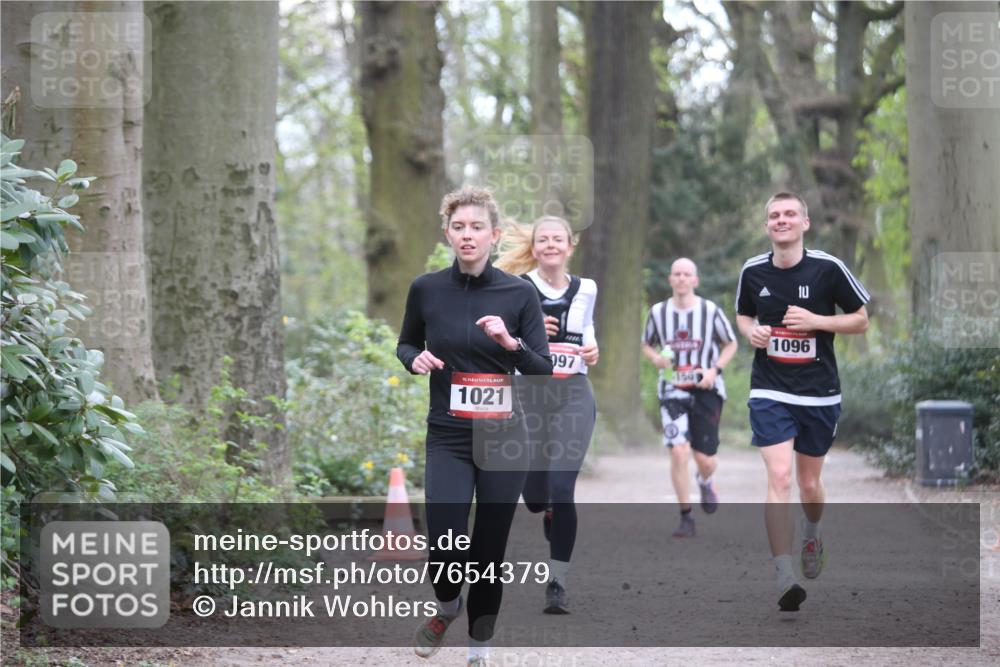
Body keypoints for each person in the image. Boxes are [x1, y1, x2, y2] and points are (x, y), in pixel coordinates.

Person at [397, 186, 552, 666]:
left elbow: (542, 367)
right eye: (459, 227)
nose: (468, 235)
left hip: (503, 438)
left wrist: (509, 343)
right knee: (444, 546)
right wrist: (413, 359)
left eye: (477, 227)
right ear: (447, 233)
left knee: (488, 552)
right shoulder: (426, 288)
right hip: (447, 435)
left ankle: (478, 649)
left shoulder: (518, 292)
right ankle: (448, 604)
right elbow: (405, 343)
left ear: (494, 235)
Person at [735, 191, 869, 612]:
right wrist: (751, 330)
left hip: (818, 392)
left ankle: (812, 531)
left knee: (808, 484)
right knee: (779, 477)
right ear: (767, 225)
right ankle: (783, 574)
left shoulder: (829, 268)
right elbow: (743, 314)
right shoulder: (753, 271)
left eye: (790, 214)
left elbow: (861, 319)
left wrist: (817, 321)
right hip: (770, 389)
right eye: (774, 215)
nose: (781, 220)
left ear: (804, 223)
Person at [495, 215, 599, 615]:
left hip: (573, 392)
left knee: (562, 485)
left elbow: (586, 332)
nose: (551, 245)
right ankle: (547, 509)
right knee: (536, 498)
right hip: (529, 394)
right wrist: (531, 332)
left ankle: (557, 581)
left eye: (558, 239)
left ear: (570, 246)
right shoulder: (519, 288)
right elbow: (504, 340)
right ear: (535, 248)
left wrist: (592, 349)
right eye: (544, 239)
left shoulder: (587, 287)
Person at [641, 258, 738, 538]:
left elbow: (731, 343)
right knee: (678, 451)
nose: (682, 279)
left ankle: (705, 480)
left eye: (687, 274)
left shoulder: (710, 311)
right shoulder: (658, 313)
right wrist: (657, 358)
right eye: (677, 274)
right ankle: (686, 517)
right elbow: (646, 344)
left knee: (704, 458)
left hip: (707, 389)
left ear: (695, 280)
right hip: (672, 390)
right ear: (671, 280)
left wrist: (714, 369)